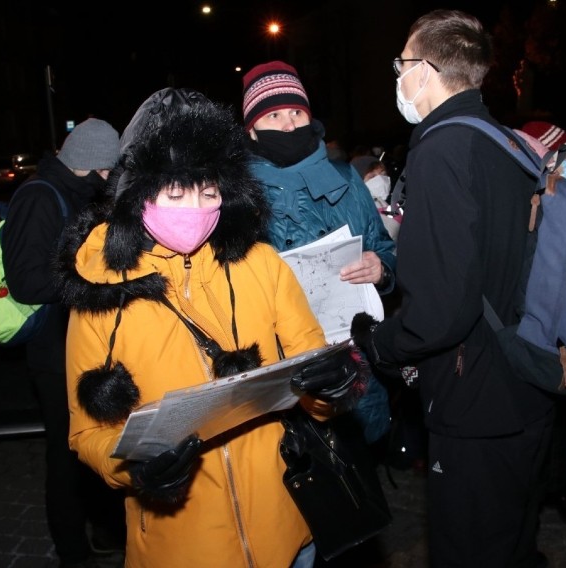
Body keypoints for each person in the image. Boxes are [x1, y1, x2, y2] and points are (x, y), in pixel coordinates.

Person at [55, 87, 364, 568]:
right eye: (175, 190)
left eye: (209, 190)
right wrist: (135, 470)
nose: (195, 207)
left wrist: (332, 387)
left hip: (285, 531)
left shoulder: (261, 264)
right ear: (138, 192)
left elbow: (311, 366)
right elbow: (87, 434)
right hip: (179, 547)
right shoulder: (102, 291)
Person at [349, 9, 555, 567]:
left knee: (468, 549)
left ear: (427, 69)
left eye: (402, 65)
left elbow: (442, 309)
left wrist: (380, 344)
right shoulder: (503, 142)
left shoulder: (441, 148)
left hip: (476, 398)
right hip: (525, 378)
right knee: (510, 539)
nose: (398, 78)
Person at [241, 60, 397, 447]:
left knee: (360, 469)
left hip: (355, 355)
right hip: (283, 367)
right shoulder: (236, 194)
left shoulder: (345, 177)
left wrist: (383, 269)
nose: (290, 124)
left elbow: (382, 247)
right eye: (274, 115)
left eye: (297, 112)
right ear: (253, 131)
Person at [1, 118, 127, 567]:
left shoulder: (81, 196)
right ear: (90, 164)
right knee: (67, 458)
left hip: (88, 347)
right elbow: (26, 282)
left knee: (97, 448)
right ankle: (72, 552)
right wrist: (92, 277)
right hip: (55, 357)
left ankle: (102, 533)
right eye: (108, 170)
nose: (112, 179)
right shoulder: (38, 197)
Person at [519, 120, 566, 528]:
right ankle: (528, 505)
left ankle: (561, 490)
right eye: (564, 152)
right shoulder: (522, 197)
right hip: (535, 327)